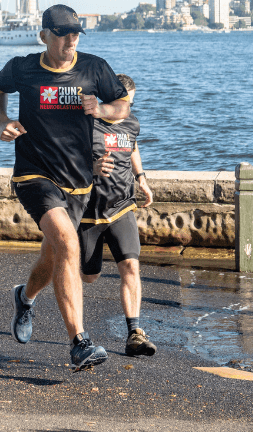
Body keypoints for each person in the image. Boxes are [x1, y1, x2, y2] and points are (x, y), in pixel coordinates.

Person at [0, 4, 129, 372]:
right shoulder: (24, 67)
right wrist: (3, 120)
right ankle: (79, 343)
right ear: (44, 35)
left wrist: (103, 110)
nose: (71, 39)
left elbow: (122, 106)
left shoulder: (94, 67)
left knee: (53, 258)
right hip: (34, 174)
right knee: (68, 245)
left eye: (76, 33)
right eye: (63, 33)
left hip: (79, 180)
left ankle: (25, 296)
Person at [85, 74, 156, 357]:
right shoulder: (87, 123)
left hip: (122, 206)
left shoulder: (131, 123)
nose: (128, 108)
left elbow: (133, 146)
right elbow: (63, 160)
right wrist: (91, 166)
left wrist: (141, 178)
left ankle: (134, 333)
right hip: (88, 212)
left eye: (131, 103)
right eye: (124, 102)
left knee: (130, 266)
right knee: (88, 276)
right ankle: (27, 294)